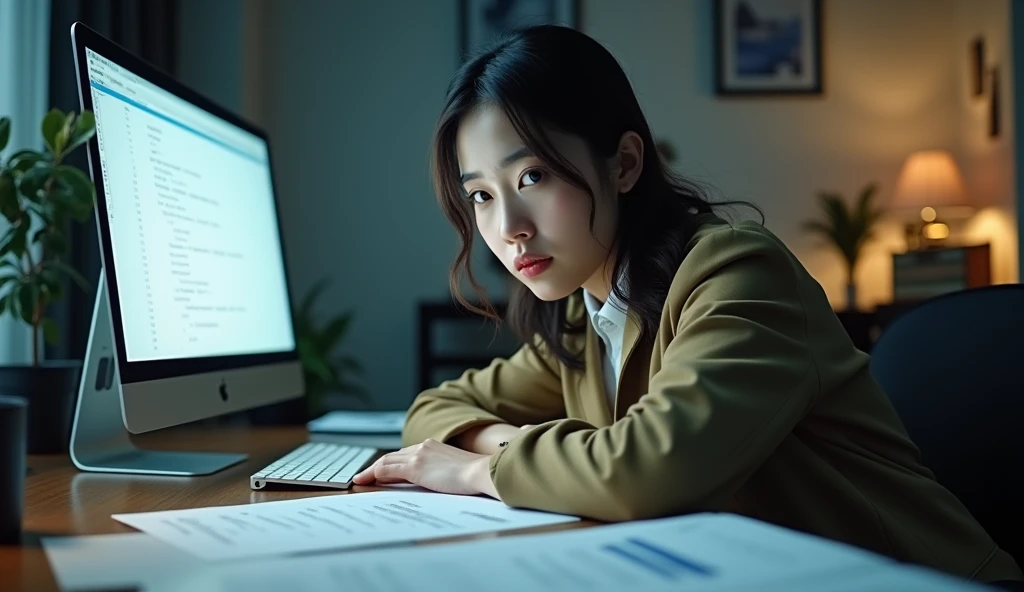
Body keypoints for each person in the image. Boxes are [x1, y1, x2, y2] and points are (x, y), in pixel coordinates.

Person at [353, 24, 1022, 585]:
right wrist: (510, 442)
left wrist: (479, 467)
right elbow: (431, 411)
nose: (509, 227)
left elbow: (652, 471)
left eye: (533, 175)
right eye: (482, 195)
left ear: (623, 164)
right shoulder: (586, 319)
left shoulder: (737, 270)